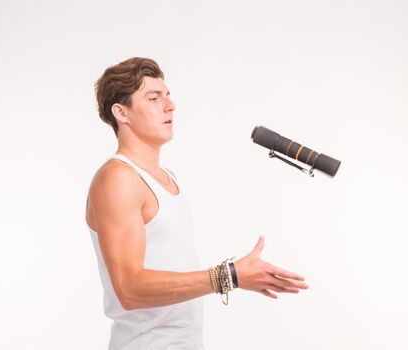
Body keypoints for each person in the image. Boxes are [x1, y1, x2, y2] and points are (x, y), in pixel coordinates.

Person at [86, 57, 309, 349]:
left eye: (167, 95)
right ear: (121, 112)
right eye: (153, 98)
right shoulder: (118, 178)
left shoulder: (166, 177)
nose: (169, 105)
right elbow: (129, 289)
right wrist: (228, 276)